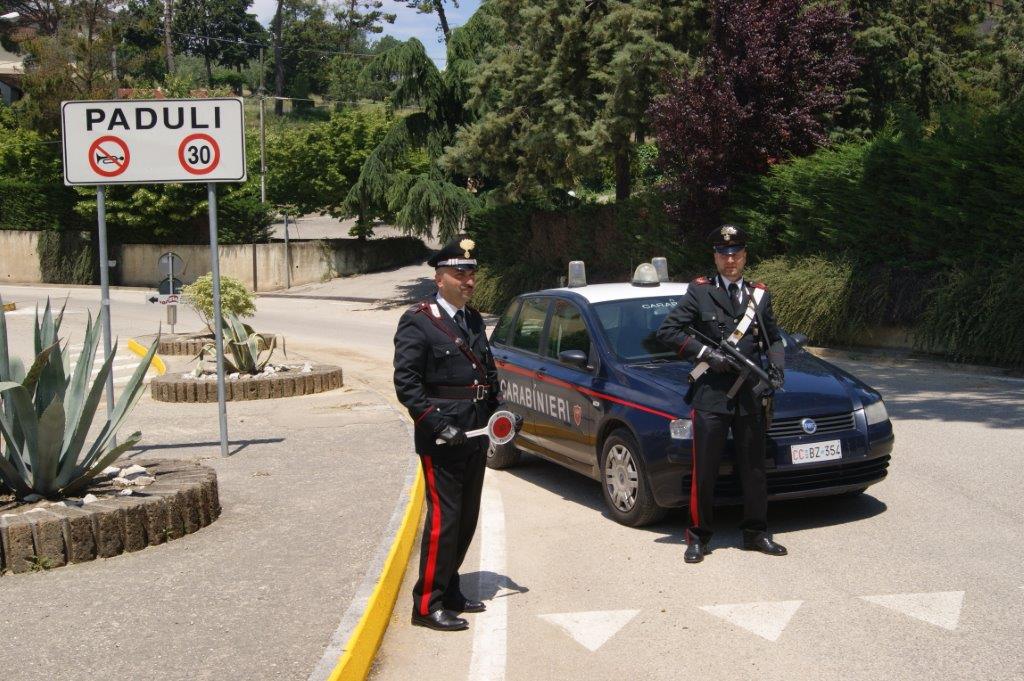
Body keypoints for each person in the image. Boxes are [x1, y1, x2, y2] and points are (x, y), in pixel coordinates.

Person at [656, 224, 788, 564]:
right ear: (716, 257)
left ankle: (755, 533)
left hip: (749, 394)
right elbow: (668, 331)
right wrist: (705, 354)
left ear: (744, 257)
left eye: (737, 254)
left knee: (754, 468)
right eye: (724, 255)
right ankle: (698, 537)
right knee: (706, 470)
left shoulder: (759, 295)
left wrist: (776, 368)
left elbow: (773, 338)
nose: (731, 261)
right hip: (712, 394)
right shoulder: (700, 292)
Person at [393, 235, 501, 632]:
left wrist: (500, 413)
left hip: (476, 430)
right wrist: (439, 425)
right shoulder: (419, 321)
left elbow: (486, 373)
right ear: (440, 278)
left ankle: (450, 588)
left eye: (472, 273)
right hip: (442, 437)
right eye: (460, 274)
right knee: (445, 519)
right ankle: (427, 602)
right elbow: (407, 384)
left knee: (467, 516)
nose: (469, 281)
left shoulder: (471, 319)